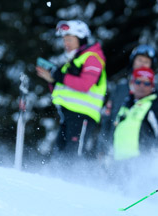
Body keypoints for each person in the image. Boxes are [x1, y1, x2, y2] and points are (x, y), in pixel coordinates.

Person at [36, 20, 107, 161]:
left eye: (69, 39)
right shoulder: (73, 61)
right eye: (64, 40)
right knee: (60, 153)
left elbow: (85, 84)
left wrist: (59, 76)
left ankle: (77, 180)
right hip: (68, 115)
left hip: (83, 115)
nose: (65, 44)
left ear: (80, 39)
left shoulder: (92, 58)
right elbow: (63, 89)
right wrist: (52, 80)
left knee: (74, 155)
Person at [99, 44, 158, 157]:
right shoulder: (120, 88)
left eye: (146, 61)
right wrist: (102, 149)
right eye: (140, 60)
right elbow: (108, 120)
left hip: (143, 152)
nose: (142, 64)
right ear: (133, 62)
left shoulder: (155, 91)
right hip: (116, 152)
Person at [111, 67, 158, 167]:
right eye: (138, 82)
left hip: (142, 161)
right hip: (119, 161)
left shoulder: (156, 105)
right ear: (132, 83)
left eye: (146, 83)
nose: (142, 86)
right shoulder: (126, 104)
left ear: (152, 86)